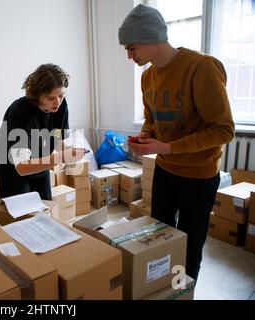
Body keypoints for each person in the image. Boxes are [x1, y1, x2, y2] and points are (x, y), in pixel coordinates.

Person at [118, 4, 235, 282]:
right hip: (165, 171)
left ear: (151, 38)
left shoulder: (201, 67)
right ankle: (160, 287)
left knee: (190, 246)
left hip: (198, 176)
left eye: (132, 47)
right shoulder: (148, 76)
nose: (129, 55)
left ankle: (184, 291)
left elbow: (223, 130)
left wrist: (168, 147)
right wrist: (146, 136)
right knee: (159, 236)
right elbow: (152, 120)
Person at [0, 63, 86, 200]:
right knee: (22, 214)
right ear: (37, 95)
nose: (57, 103)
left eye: (61, 95)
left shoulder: (60, 106)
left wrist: (70, 151)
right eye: (51, 98)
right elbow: (22, 167)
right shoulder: (19, 112)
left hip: (40, 160)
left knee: (45, 205)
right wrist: (61, 157)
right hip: (13, 168)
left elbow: (56, 136)